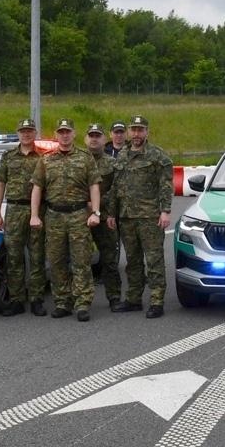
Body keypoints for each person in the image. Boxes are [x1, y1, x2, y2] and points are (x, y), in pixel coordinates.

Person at [30, 118, 102, 321]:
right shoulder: (46, 160)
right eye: (61, 132)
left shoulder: (85, 158)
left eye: (68, 131)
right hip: (54, 216)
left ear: (74, 134)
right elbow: (37, 188)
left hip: (78, 215)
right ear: (56, 134)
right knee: (56, 261)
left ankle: (82, 303)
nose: (64, 135)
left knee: (81, 261)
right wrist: (34, 215)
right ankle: (62, 302)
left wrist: (95, 213)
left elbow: (94, 186)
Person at [110, 114, 174, 318]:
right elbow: (115, 187)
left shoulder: (158, 156)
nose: (136, 133)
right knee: (132, 260)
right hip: (127, 217)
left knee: (154, 259)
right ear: (129, 131)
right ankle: (134, 298)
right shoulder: (122, 155)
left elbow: (166, 186)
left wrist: (165, 211)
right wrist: (111, 213)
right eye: (133, 129)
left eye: (140, 129)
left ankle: (156, 300)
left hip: (150, 217)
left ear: (147, 132)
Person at [0, 117, 48, 316]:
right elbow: (0, 185)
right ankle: (16, 299)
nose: (26, 134)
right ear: (18, 133)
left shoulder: (43, 156)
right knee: (14, 257)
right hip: (14, 210)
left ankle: (37, 299)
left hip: (37, 211)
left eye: (30, 131)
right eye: (23, 131)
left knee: (37, 256)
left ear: (35, 134)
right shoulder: (8, 156)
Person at [84, 123, 125, 309]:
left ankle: (114, 297)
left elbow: (117, 189)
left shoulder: (112, 163)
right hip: (80, 216)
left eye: (97, 135)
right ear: (85, 139)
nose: (94, 139)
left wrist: (97, 203)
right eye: (91, 135)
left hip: (105, 216)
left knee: (109, 259)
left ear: (103, 139)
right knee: (79, 260)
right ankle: (79, 299)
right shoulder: (78, 161)